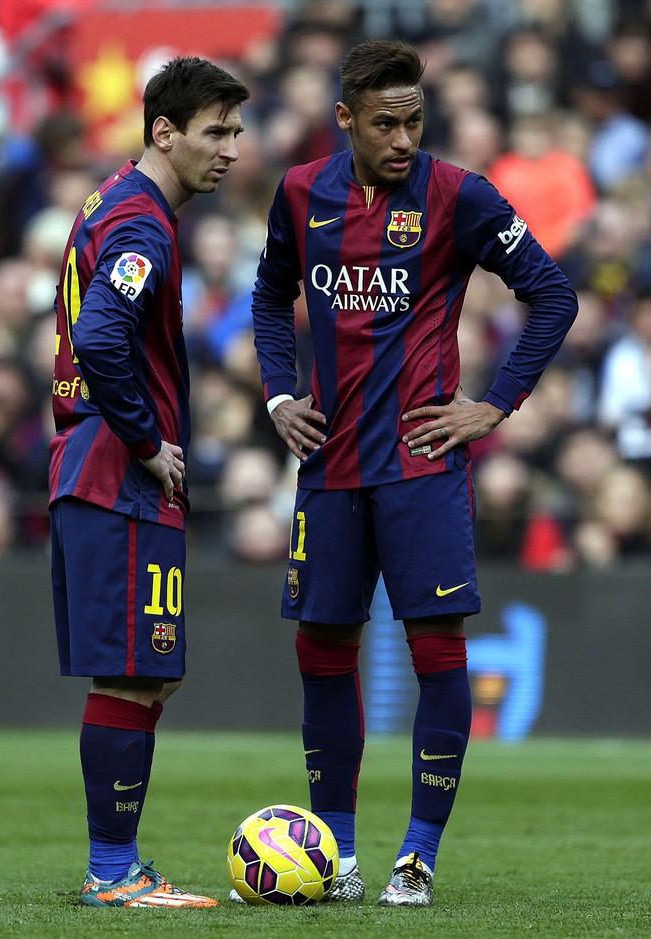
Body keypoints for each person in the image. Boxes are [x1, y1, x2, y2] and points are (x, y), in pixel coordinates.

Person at [249, 39, 578, 907]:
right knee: (322, 650)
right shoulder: (298, 193)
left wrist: (495, 404)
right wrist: (281, 393)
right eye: (385, 123)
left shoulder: (458, 194)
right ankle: (339, 856)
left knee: (436, 649)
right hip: (328, 463)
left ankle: (417, 857)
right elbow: (269, 294)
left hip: (422, 461)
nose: (403, 139)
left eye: (415, 121)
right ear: (345, 119)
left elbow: (553, 293)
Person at [48, 56, 248, 908]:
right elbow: (99, 337)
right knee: (133, 672)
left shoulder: (110, 201)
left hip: (93, 467)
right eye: (217, 131)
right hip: (116, 472)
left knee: (146, 672)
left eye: (237, 131)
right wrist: (145, 439)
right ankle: (113, 871)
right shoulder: (143, 223)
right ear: (163, 131)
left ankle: (118, 862)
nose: (233, 150)